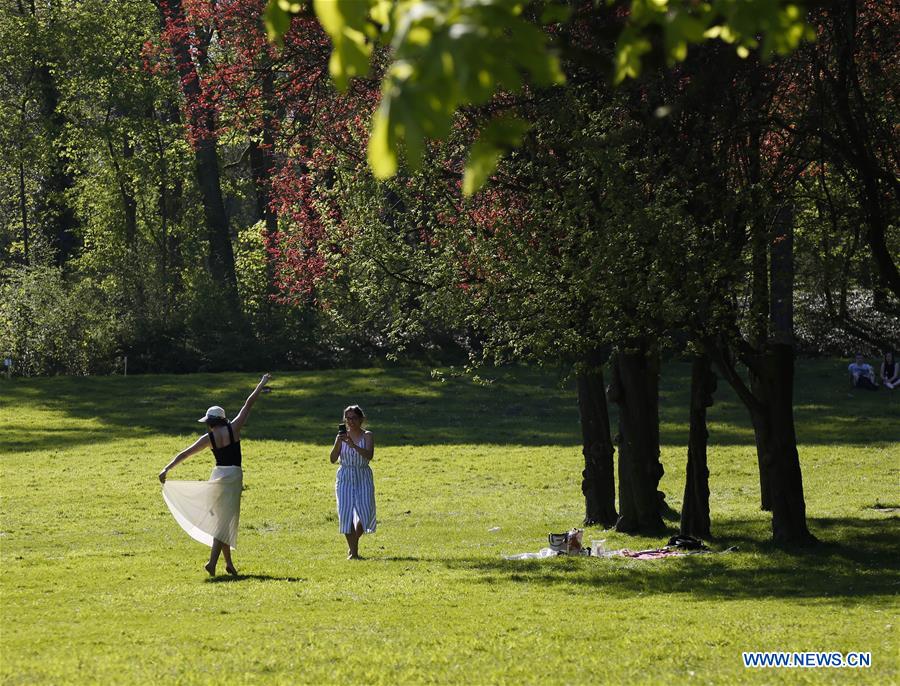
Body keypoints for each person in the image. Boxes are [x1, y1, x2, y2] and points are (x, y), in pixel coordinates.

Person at [158, 373, 271, 576]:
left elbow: (185, 453)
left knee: (222, 520)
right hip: (233, 477)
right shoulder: (234, 428)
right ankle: (212, 563)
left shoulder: (208, 438)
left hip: (217, 476)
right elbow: (248, 404)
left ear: (210, 422)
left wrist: (167, 468)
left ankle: (229, 564)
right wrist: (261, 384)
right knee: (224, 522)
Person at [329, 405, 376, 559]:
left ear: (361, 419)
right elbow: (332, 459)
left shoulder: (367, 435)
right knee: (346, 513)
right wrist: (338, 442)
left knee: (366, 513)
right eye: (348, 418)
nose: (350, 421)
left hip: (363, 475)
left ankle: (353, 545)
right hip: (345, 477)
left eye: (354, 418)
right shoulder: (341, 437)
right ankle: (354, 553)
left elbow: (369, 455)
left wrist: (353, 445)